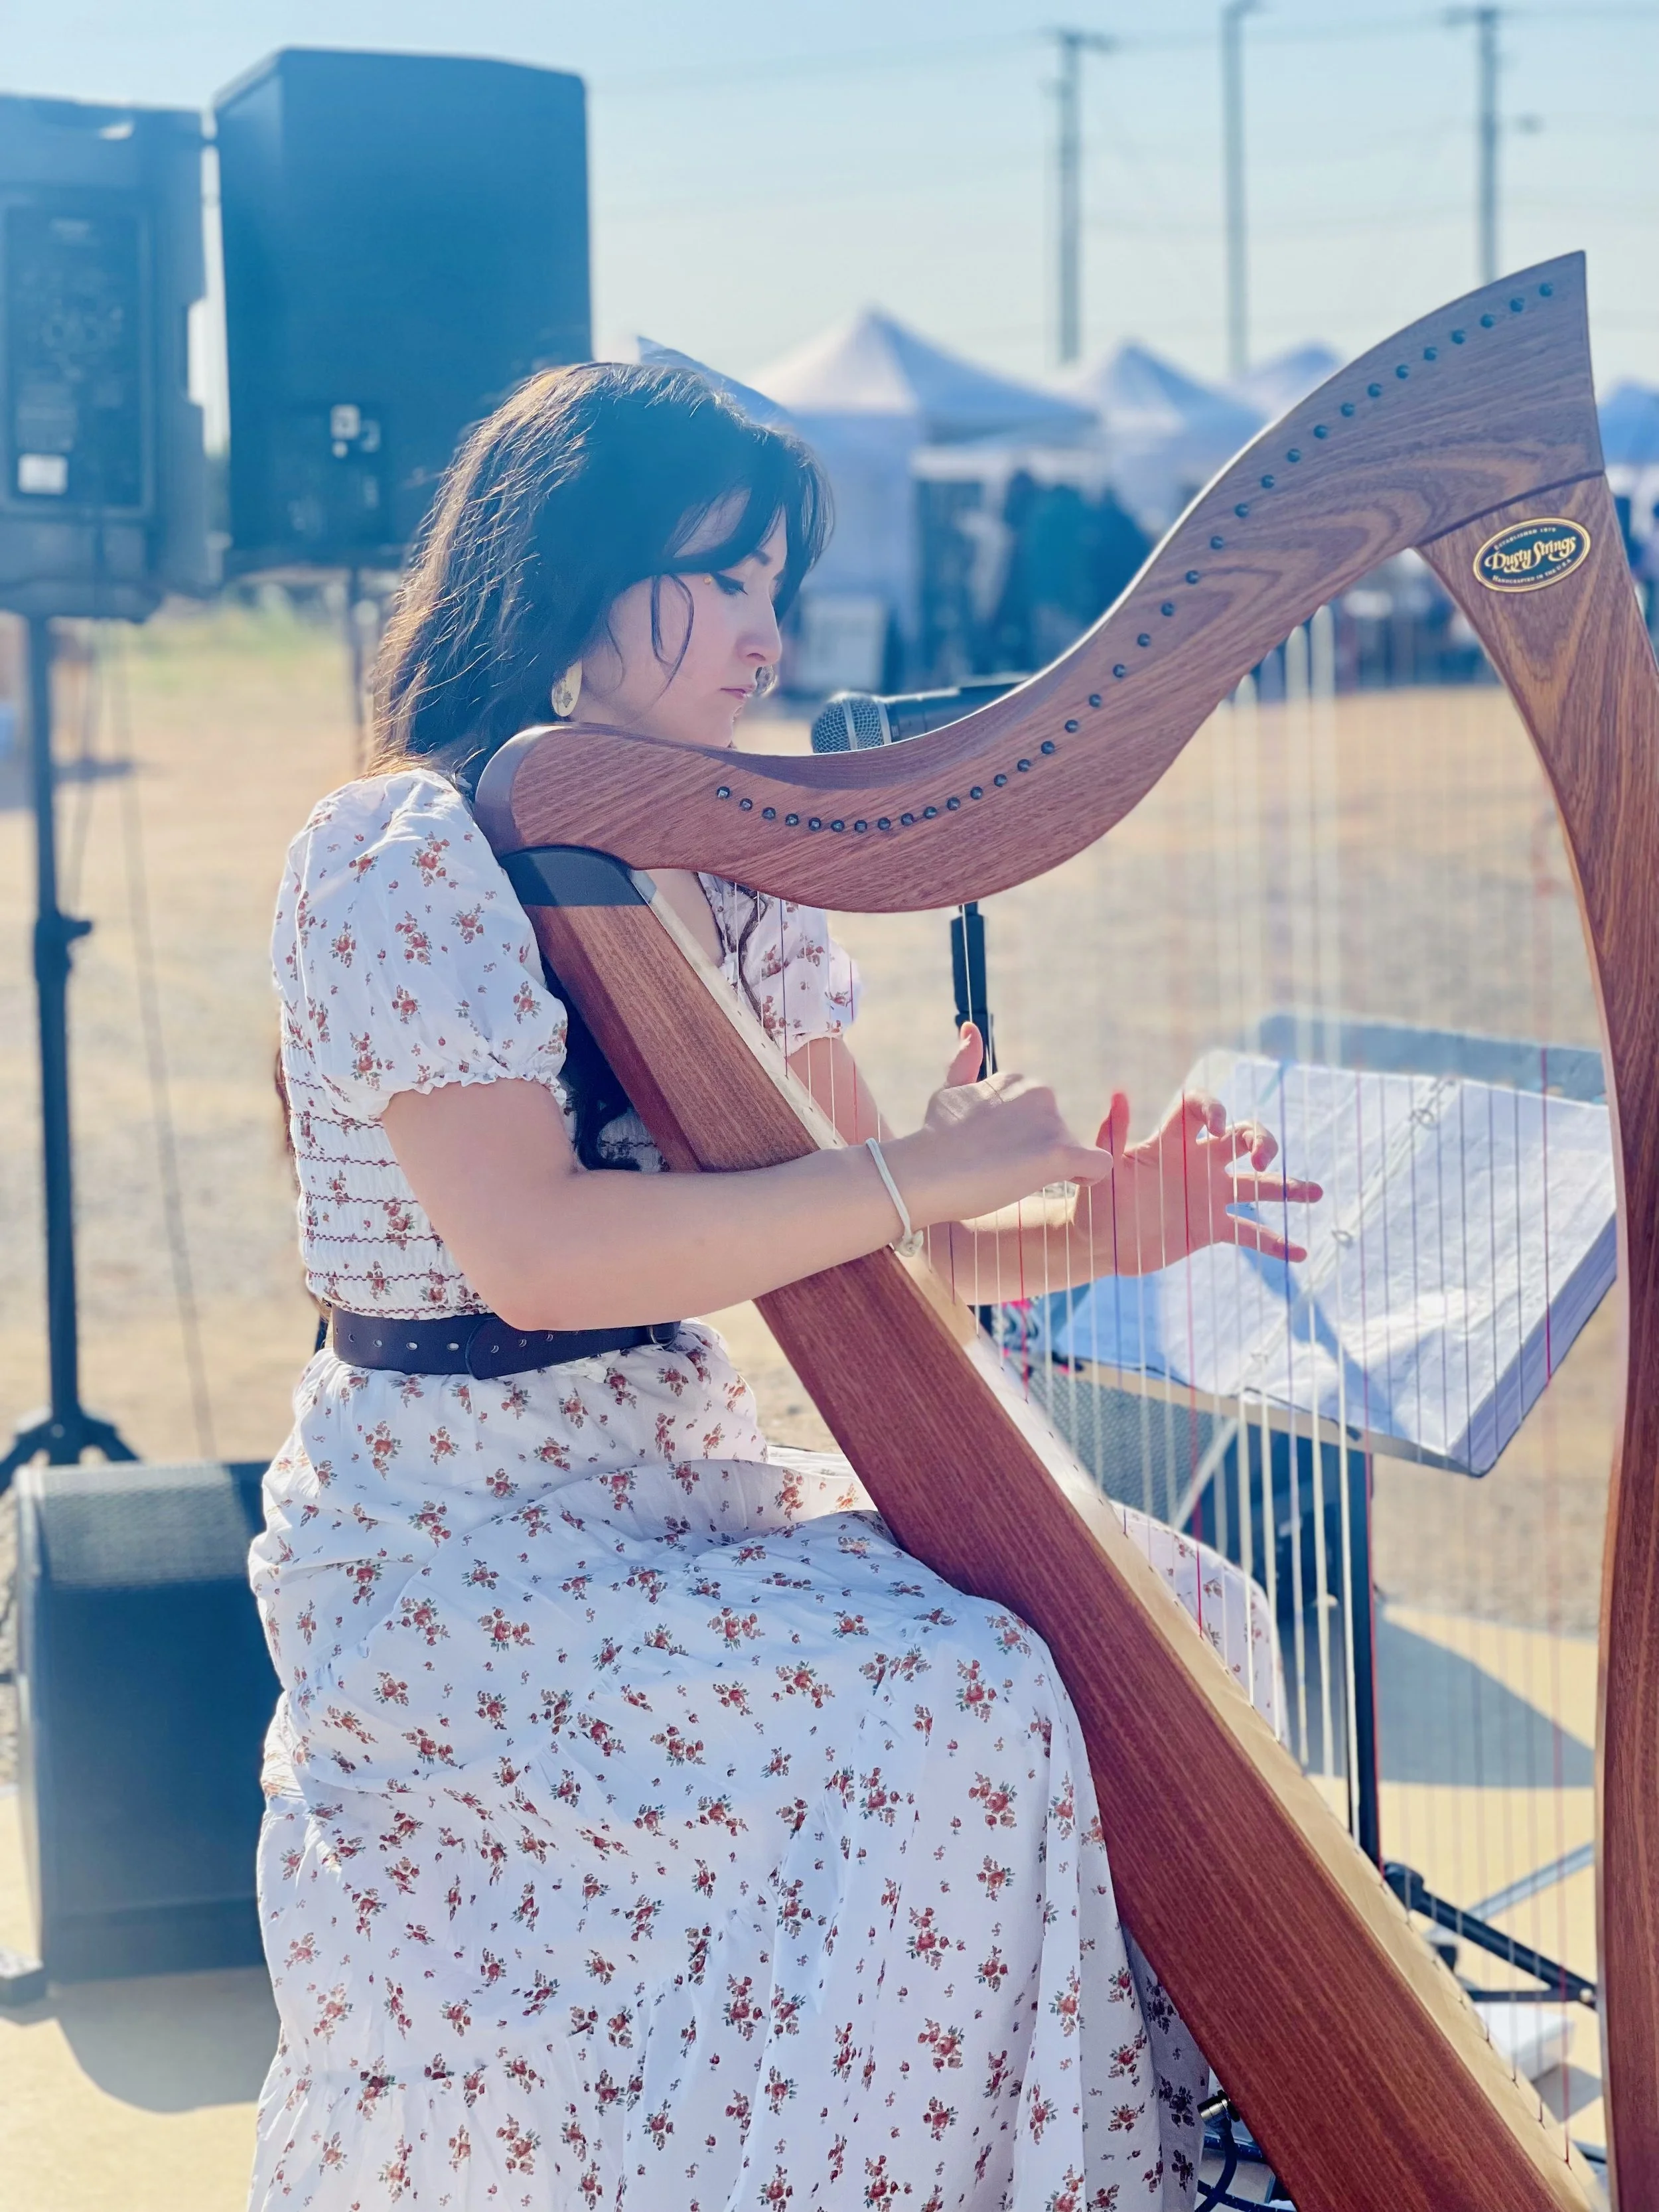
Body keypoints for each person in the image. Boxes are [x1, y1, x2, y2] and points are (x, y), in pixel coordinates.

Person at [250, 363, 1315, 2211]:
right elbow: (539, 1244)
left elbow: (875, 1241)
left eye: (774, 581)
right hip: (456, 1549)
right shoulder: (395, 857)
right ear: (567, 570)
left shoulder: (739, 870)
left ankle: (1195, 2144)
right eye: (719, 574)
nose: (764, 626)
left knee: (1189, 1606)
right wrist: (919, 1168)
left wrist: (1101, 1226)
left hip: (677, 1488)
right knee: (953, 1701)